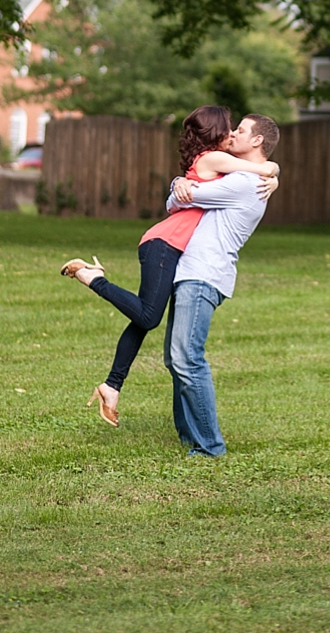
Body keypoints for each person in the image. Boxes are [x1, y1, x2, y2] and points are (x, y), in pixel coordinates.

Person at [59, 105, 279, 426]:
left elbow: (234, 175)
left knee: (144, 317)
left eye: (239, 130)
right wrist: (272, 171)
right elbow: (254, 170)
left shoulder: (222, 168)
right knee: (149, 317)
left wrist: (272, 175)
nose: (232, 134)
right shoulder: (218, 161)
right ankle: (93, 278)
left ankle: (112, 386)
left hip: (171, 246)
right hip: (166, 243)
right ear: (216, 133)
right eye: (230, 128)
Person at [162, 112, 280, 457]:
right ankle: (189, 435)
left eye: (241, 130)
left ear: (257, 141)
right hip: (192, 272)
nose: (232, 133)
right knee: (176, 358)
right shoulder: (243, 175)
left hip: (203, 274)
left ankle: (210, 445)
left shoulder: (244, 184)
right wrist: (178, 183)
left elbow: (177, 201)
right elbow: (185, 190)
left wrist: (177, 186)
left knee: (187, 358)